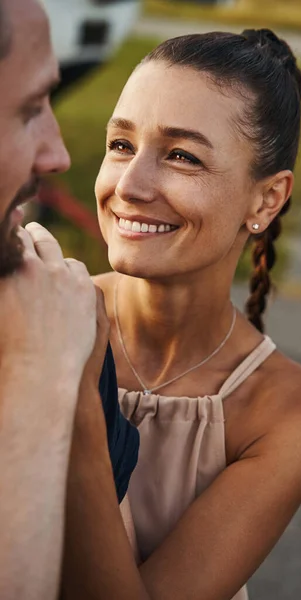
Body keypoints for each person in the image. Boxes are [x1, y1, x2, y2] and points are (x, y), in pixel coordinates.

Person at [62, 28, 301, 600]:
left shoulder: (295, 415)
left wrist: (77, 402)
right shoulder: (34, 315)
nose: (131, 185)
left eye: (182, 156)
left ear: (266, 200)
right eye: (121, 145)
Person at [0, 1, 140, 598]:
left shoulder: (58, 306)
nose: (59, 155)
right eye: (29, 108)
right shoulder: (55, 336)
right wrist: (45, 374)